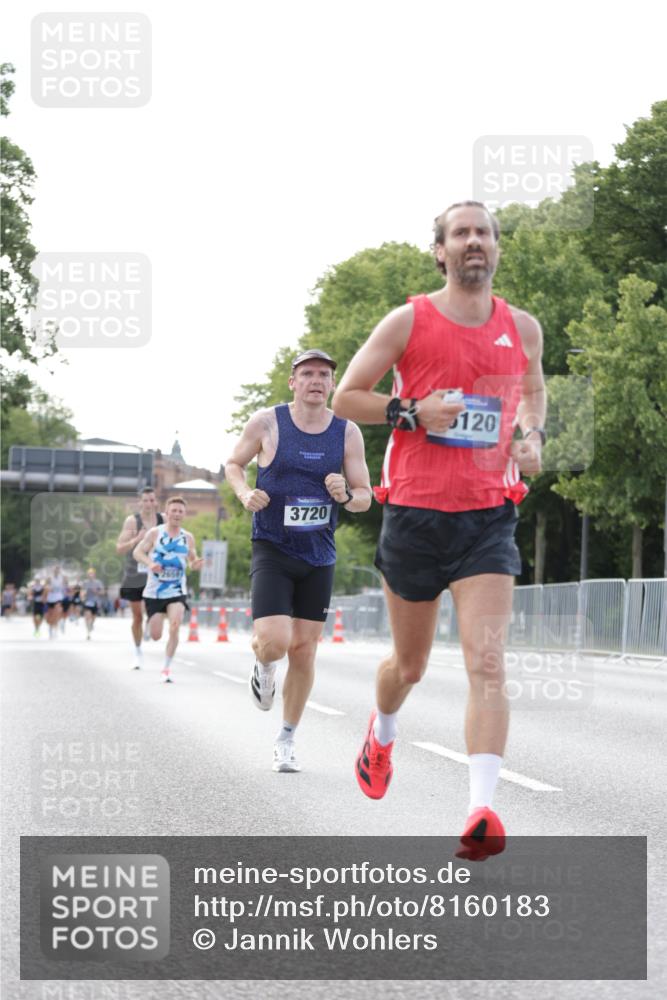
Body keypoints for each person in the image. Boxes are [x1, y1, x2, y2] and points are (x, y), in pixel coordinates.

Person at [332, 201, 546, 861]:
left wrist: (531, 436)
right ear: (440, 251)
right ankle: (383, 730)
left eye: (484, 233)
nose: (474, 242)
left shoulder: (522, 327)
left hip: (488, 515)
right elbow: (346, 396)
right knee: (411, 665)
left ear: (496, 249)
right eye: (461, 233)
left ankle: (480, 809)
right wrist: (411, 411)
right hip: (417, 515)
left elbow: (533, 393)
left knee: (486, 662)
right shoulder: (409, 320)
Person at [225, 349, 372, 773]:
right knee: (275, 641)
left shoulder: (347, 433)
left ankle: (286, 738)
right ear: (293, 382)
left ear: (332, 384)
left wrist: (345, 494)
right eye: (307, 373)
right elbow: (234, 463)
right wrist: (243, 494)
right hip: (272, 546)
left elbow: (365, 496)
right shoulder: (268, 422)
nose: (315, 380)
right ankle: (264, 667)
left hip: (319, 554)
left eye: (324, 375)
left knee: (305, 651)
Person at [133, 496, 203, 683]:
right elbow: (137, 552)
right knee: (156, 636)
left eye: (180, 511)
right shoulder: (155, 533)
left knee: (175, 626)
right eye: (174, 510)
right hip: (154, 591)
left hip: (177, 590)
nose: (177, 514)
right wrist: (150, 563)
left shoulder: (188, 537)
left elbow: (192, 560)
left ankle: (166, 668)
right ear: (167, 512)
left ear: (184, 514)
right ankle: (153, 622)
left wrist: (196, 564)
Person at [116, 487, 165, 669]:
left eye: (152, 500)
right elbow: (119, 548)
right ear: (140, 502)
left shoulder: (163, 520)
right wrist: (136, 539)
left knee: (153, 611)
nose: (149, 504)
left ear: (156, 502)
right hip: (135, 573)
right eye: (145, 500)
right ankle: (137, 651)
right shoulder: (132, 521)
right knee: (137, 615)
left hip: (157, 571)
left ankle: (150, 624)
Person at [44, 566, 69, 639]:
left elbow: (67, 583)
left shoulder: (62, 577)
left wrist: (64, 578)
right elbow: (45, 586)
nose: (56, 571)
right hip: (50, 599)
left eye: (58, 570)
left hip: (58, 597)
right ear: (53, 571)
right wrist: (48, 589)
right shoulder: (49, 578)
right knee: (51, 616)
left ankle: (58, 625)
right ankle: (51, 630)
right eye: (55, 570)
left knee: (57, 611)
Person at [81, 568, 105, 640]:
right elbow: (82, 591)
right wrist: (82, 595)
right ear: (87, 575)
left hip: (96, 602)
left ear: (94, 575)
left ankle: (91, 625)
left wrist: (96, 592)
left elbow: (103, 592)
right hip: (87, 601)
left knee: (93, 617)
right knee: (87, 616)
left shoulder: (98, 582)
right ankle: (88, 633)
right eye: (89, 574)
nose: (90, 575)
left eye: (92, 573)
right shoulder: (85, 582)